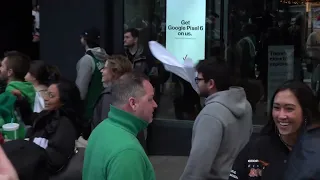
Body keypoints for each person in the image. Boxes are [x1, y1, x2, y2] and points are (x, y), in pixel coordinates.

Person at [229, 80, 319, 180]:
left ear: (306, 112)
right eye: (276, 108)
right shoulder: (256, 148)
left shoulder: (315, 151)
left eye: (289, 109)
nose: (281, 116)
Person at [180, 59, 252, 180]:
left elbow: (198, 167)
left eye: (198, 79)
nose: (196, 83)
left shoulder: (210, 115)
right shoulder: (246, 105)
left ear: (211, 83)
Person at [83, 71, 157, 180]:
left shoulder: (101, 128)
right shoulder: (129, 153)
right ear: (133, 103)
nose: (155, 104)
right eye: (150, 99)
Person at [3, 79, 83, 179]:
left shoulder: (65, 125)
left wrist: (26, 148)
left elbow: (54, 159)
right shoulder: (49, 114)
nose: (45, 98)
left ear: (63, 101)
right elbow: (31, 119)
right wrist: (22, 101)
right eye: (46, 93)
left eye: (51, 96)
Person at [0, 51, 35, 138]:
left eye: (2, 66)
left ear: (9, 72)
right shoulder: (29, 88)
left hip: (16, 136)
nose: (0, 69)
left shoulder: (10, 91)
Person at [76, 27, 108, 122]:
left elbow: (80, 91)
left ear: (84, 40)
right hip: (104, 109)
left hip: (89, 112)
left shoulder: (87, 60)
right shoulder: (106, 58)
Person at [92, 55, 132, 129]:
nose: (101, 71)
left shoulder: (110, 95)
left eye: (105, 68)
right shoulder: (132, 92)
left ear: (115, 71)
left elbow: (106, 127)